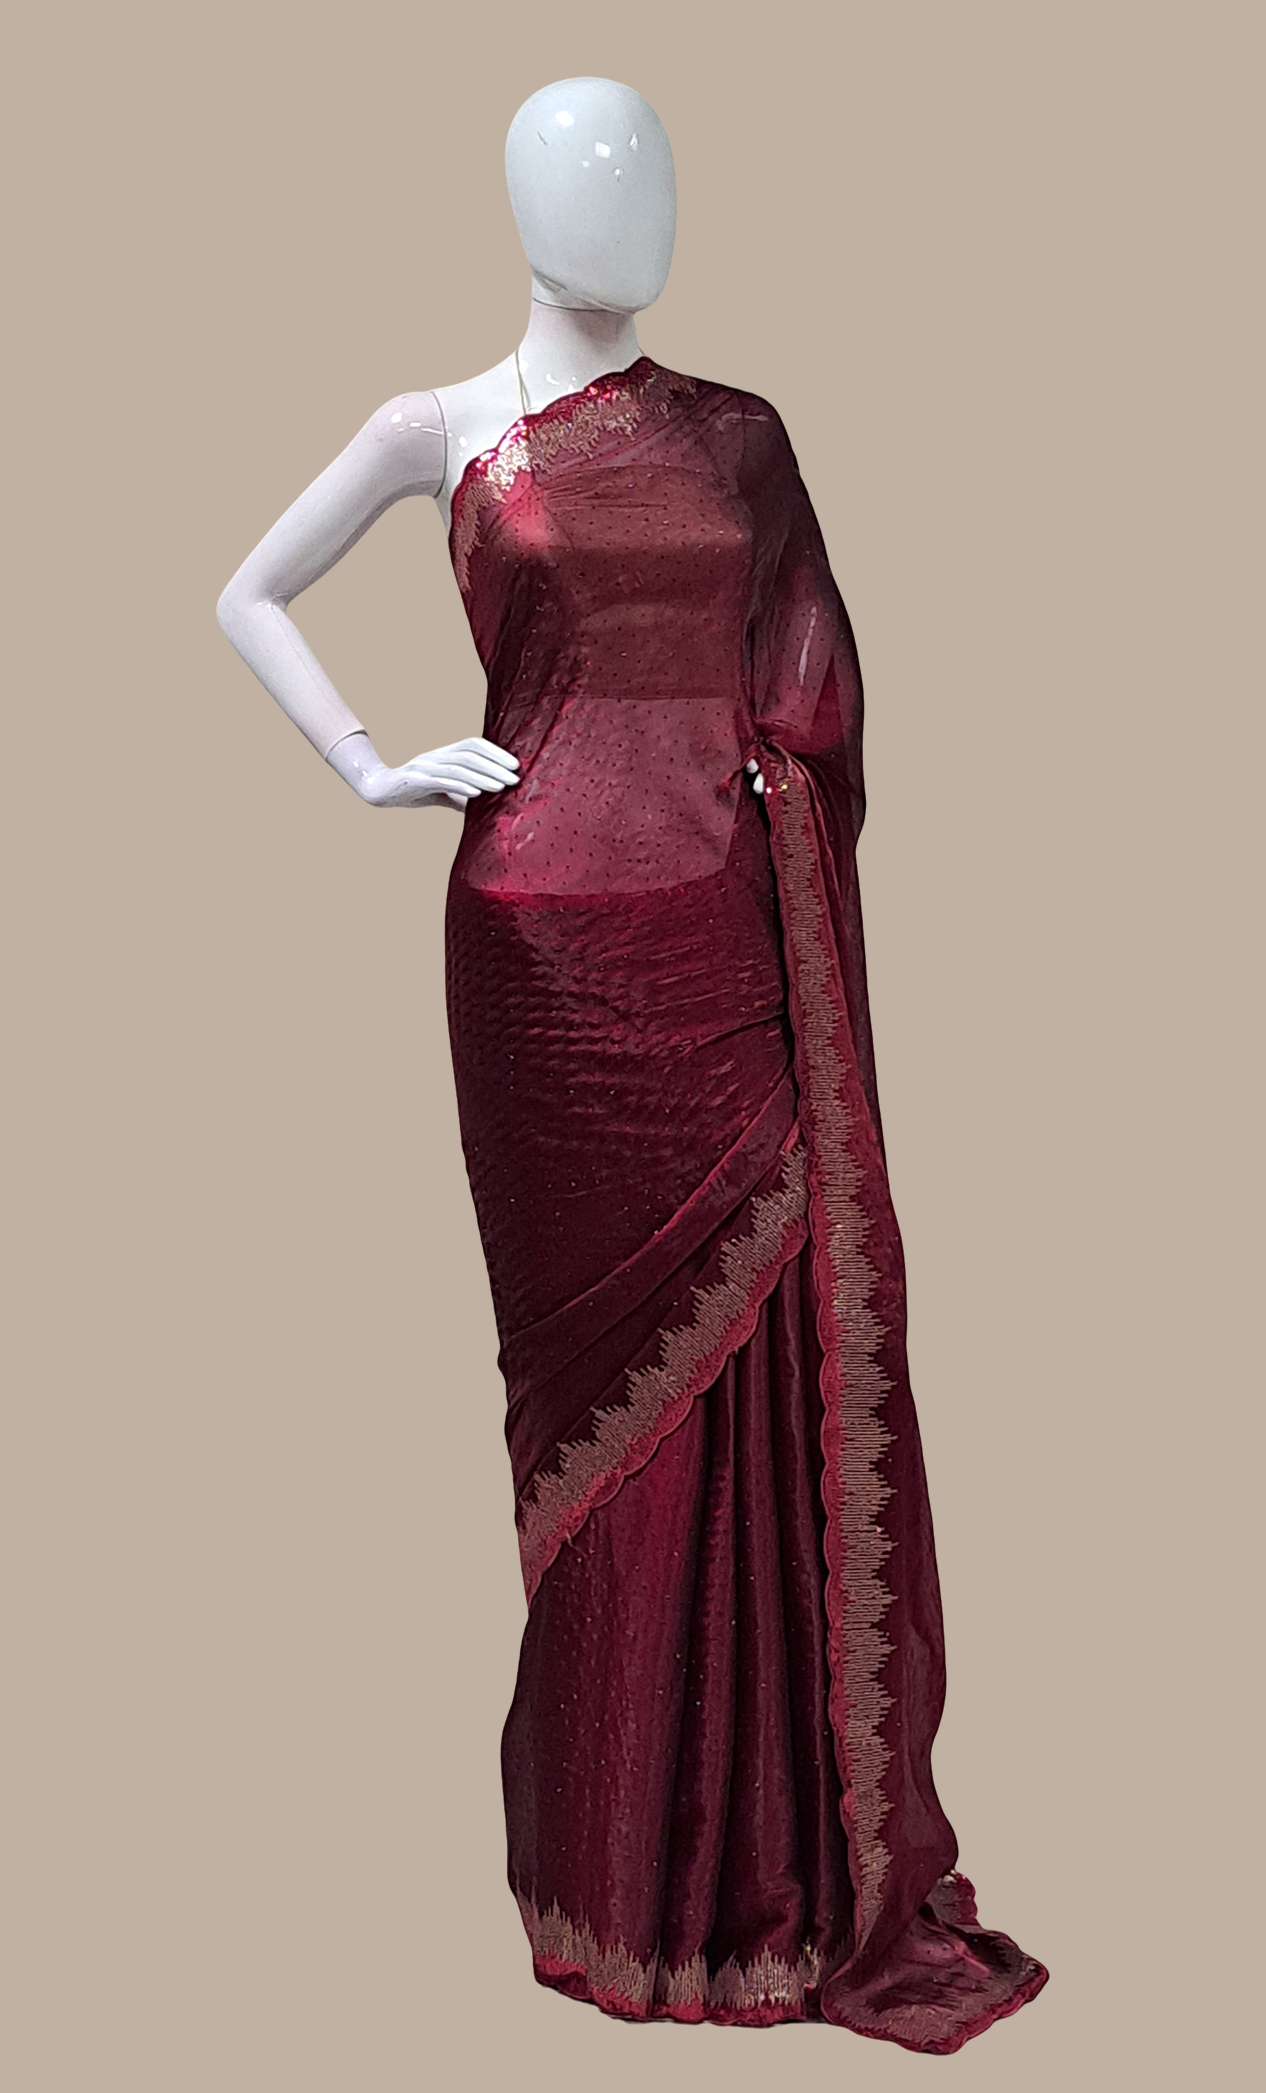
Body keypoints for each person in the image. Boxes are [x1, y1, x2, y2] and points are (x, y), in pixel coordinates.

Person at [217, 74, 1047, 2054]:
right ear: (516, 205)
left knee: (762, 1362)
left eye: (651, 172)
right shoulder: (439, 427)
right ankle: (617, 1863)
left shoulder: (741, 434)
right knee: (590, 1398)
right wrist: (370, 762)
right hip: (537, 952)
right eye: (585, 174)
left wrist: (767, 795)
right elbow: (245, 590)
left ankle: (762, 1861)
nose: (629, 206)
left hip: (729, 947)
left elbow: (818, 682)